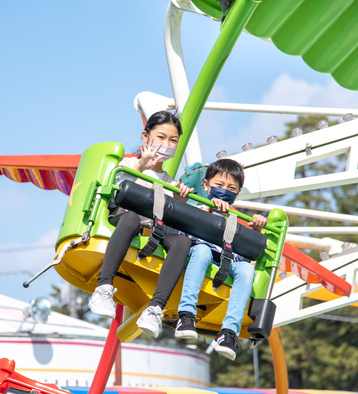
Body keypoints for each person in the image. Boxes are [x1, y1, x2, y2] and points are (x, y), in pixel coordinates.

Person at [88, 110, 193, 338]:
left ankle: (155, 308)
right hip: (126, 221)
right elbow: (115, 192)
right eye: (161, 137)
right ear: (146, 138)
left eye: (173, 140)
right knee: (132, 217)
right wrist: (141, 167)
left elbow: (174, 220)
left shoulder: (171, 183)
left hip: (154, 231)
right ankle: (104, 286)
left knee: (183, 242)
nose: (167, 144)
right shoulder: (128, 163)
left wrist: (181, 199)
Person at [174, 158, 267, 360]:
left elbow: (245, 251)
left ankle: (229, 332)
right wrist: (209, 209)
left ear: (237, 193)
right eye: (219, 185)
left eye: (231, 188)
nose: (224, 191)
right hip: (200, 256)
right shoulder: (198, 209)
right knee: (202, 251)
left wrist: (257, 229)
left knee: (246, 269)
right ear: (206, 186)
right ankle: (186, 315)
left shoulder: (235, 220)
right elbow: (180, 225)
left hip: (226, 261)